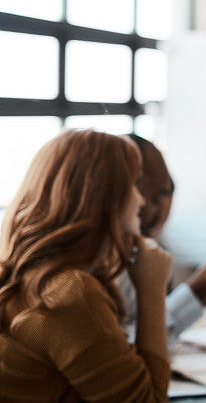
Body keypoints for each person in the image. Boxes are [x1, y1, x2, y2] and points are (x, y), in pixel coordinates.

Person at [0, 129, 172, 401]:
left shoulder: (30, 277)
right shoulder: (70, 293)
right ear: (104, 198)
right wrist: (152, 289)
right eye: (133, 184)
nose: (140, 201)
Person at [118, 134, 206, 345]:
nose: (149, 207)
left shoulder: (149, 248)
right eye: (145, 195)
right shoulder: (86, 271)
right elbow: (119, 353)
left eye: (164, 193)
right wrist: (195, 293)